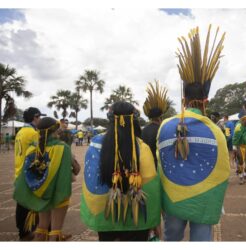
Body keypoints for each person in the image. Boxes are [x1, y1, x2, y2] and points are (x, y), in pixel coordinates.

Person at [157, 25, 229, 241]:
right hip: (204, 200)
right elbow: (223, 169)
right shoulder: (215, 130)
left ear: (183, 100)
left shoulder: (165, 126)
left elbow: (161, 162)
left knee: (172, 239)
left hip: (173, 199)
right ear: (205, 100)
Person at [80, 102, 161, 241]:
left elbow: (90, 181)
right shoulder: (142, 148)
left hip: (104, 216)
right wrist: (154, 221)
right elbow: (151, 188)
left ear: (110, 119)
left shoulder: (95, 144)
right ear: (134, 119)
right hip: (138, 220)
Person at [13, 117, 73, 241]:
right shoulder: (62, 148)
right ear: (55, 131)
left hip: (40, 193)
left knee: (41, 228)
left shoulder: (32, 148)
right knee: (55, 231)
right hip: (58, 195)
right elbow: (71, 172)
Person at [13, 107, 45, 241]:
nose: (41, 120)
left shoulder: (20, 132)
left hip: (19, 171)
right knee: (27, 206)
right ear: (35, 117)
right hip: (28, 174)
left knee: (22, 204)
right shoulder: (32, 133)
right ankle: (25, 233)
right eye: (39, 117)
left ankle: (24, 231)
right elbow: (40, 152)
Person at [141, 80, 170, 170]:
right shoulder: (162, 129)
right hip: (160, 166)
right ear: (160, 118)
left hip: (147, 166)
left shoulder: (144, 130)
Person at [232, 106, 246, 185]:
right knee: (240, 161)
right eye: (245, 120)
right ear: (242, 120)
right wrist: (234, 147)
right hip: (239, 145)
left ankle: (245, 174)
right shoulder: (238, 127)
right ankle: (240, 177)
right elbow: (235, 137)